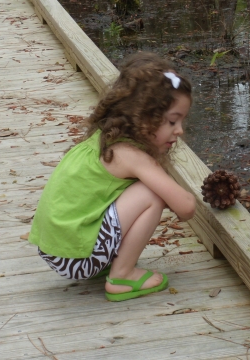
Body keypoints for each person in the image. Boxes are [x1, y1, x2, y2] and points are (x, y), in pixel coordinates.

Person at [28, 52, 196, 302]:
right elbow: (186, 208)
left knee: (146, 188)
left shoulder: (106, 137)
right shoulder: (130, 154)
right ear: (143, 118)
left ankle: (112, 263)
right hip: (75, 259)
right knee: (151, 194)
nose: (179, 130)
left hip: (57, 250)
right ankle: (122, 276)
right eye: (172, 121)